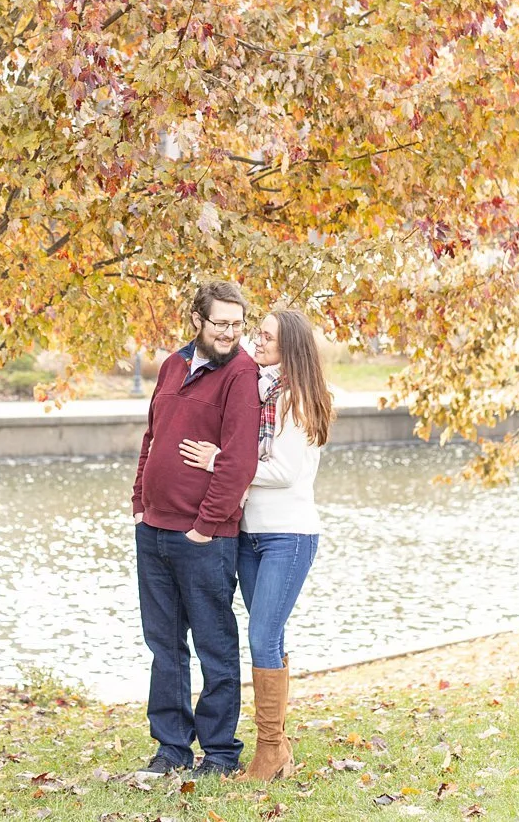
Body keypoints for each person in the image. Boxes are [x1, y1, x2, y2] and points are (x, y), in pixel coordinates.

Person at [180, 307, 331, 781]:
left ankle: (268, 751)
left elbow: (284, 472)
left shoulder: (299, 399)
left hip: (289, 535)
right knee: (272, 635)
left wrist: (219, 463)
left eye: (266, 336)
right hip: (251, 533)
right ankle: (279, 747)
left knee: (262, 636)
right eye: (257, 333)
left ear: (290, 346)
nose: (255, 340)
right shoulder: (263, 390)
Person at [130, 280, 261, 779]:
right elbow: (151, 437)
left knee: (215, 645)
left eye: (237, 323)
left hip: (204, 538)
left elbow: (238, 462)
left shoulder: (241, 375)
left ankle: (221, 753)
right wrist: (140, 502)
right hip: (154, 531)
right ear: (198, 321)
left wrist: (207, 526)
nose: (230, 333)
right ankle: (170, 749)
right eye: (221, 323)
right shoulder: (172, 365)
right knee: (164, 646)